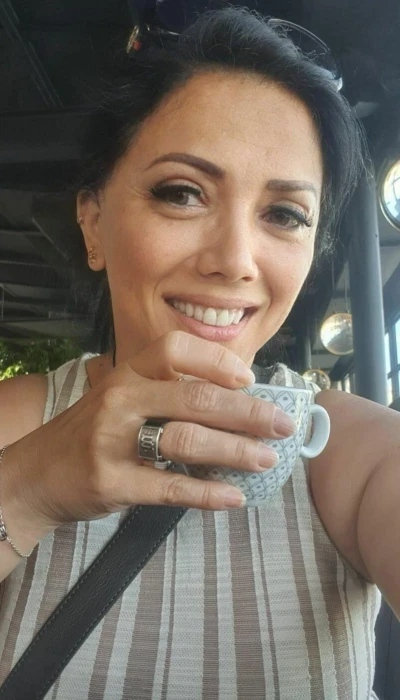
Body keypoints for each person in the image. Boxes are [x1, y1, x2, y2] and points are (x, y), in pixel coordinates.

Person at [0, 7, 398, 699]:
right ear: (93, 221)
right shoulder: (17, 422)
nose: (235, 260)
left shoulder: (346, 451)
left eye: (284, 214)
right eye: (182, 193)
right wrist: (30, 487)